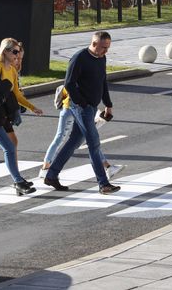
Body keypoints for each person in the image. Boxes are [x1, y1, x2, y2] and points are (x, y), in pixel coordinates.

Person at [44, 31, 121, 195]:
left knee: (73, 142)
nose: (106, 51)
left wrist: (108, 104)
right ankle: (103, 184)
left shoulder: (102, 58)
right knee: (94, 143)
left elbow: (102, 82)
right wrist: (83, 104)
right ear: (94, 44)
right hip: (80, 107)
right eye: (103, 47)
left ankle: (51, 175)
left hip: (92, 107)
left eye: (108, 47)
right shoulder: (79, 58)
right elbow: (69, 84)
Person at [0, 38, 43, 195]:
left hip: (1, 114)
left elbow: (17, 94)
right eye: (15, 52)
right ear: (5, 51)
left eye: (18, 52)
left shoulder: (11, 70)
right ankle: (18, 182)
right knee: (9, 147)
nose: (17, 55)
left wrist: (32, 107)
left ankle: (18, 182)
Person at [39, 87, 124, 179]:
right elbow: (73, 90)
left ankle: (108, 167)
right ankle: (45, 169)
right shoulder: (79, 77)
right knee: (62, 137)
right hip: (71, 109)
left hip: (75, 109)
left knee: (89, 139)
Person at [0, 42, 25, 157]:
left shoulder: (12, 70)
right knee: (10, 144)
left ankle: (16, 174)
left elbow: (16, 93)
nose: (18, 61)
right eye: (16, 56)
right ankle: (16, 175)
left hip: (5, 111)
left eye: (21, 58)